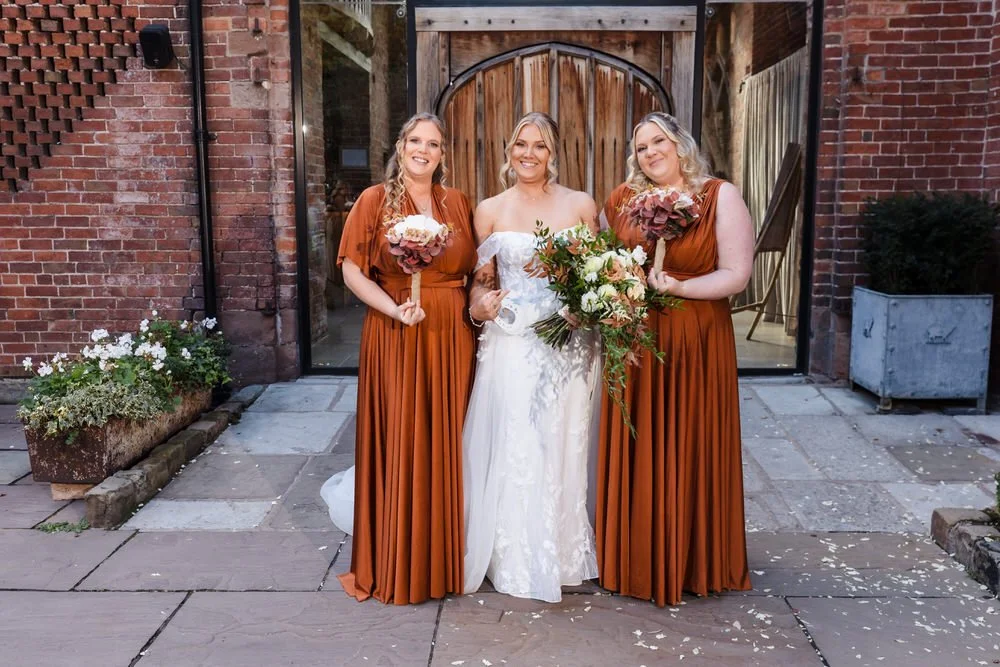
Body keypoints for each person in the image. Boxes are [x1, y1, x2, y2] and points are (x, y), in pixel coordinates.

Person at [596, 111, 754, 606]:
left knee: (688, 439)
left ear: (679, 143)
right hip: (635, 339)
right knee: (639, 442)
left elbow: (736, 274)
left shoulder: (717, 196)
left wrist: (681, 287)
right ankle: (634, 558)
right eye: (641, 147)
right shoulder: (622, 200)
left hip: (694, 340)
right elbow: (602, 262)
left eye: (658, 141)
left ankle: (691, 559)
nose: (650, 153)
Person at [321, 112, 477, 605]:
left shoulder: (458, 203)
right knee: (403, 437)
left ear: (443, 154)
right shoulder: (374, 201)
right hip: (397, 331)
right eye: (415, 140)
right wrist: (394, 308)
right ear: (400, 145)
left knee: (448, 440)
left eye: (433, 143)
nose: (423, 150)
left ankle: (444, 554)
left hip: (451, 333)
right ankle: (400, 556)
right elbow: (351, 270)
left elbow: (473, 270)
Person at [462, 111, 602, 603]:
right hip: (513, 342)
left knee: (565, 440)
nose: (528, 153)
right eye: (521, 143)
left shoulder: (581, 205)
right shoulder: (490, 209)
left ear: (553, 153)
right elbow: (480, 282)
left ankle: (565, 554)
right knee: (521, 441)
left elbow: (602, 275)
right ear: (508, 150)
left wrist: (585, 312)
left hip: (570, 344)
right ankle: (517, 558)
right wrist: (481, 306)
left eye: (539, 146)